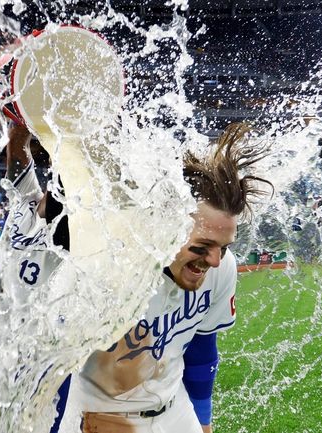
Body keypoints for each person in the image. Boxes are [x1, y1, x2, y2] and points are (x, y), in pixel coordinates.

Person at [69, 123, 272, 433]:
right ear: (167, 224)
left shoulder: (221, 267)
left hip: (176, 412)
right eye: (203, 246)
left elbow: (203, 351)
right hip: (101, 418)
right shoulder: (109, 267)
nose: (215, 261)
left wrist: (203, 423)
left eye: (224, 247)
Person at [0, 123, 71, 433]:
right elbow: (16, 155)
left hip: (31, 369)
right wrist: (22, 114)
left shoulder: (69, 238)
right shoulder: (25, 202)